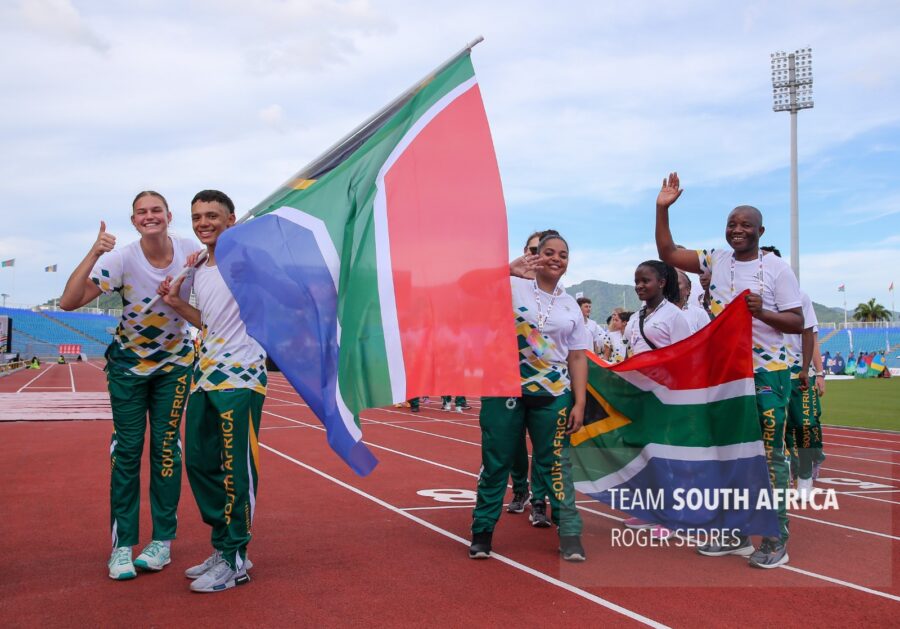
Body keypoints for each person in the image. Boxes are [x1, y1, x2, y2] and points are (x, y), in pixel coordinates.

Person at [655, 172, 803, 569]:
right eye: (732, 224)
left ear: (760, 231)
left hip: (767, 374)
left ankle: (775, 538)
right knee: (726, 456)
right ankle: (736, 533)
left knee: (769, 456)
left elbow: (798, 321)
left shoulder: (776, 269)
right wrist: (662, 208)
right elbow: (668, 253)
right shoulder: (715, 259)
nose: (737, 230)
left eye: (745, 225)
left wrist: (764, 312)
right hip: (724, 374)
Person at [59, 191, 200, 580]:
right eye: (142, 212)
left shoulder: (192, 250)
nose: (150, 216)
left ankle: (161, 543)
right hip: (128, 367)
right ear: (134, 221)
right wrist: (93, 252)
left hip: (174, 365)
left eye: (156, 210)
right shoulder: (120, 259)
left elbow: (226, 268)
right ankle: (122, 547)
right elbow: (70, 301)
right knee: (127, 450)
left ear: (169, 216)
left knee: (166, 448)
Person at [159, 190, 267, 593]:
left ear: (231, 219)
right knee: (201, 464)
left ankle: (236, 557)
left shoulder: (248, 260)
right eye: (197, 217)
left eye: (212, 215)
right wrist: (175, 300)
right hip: (204, 374)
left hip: (241, 377)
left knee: (237, 469)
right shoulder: (200, 264)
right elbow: (207, 321)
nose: (203, 222)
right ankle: (223, 546)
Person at [469, 233, 589, 562]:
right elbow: (466, 289)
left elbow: (577, 356)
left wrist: (579, 402)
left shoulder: (570, 307)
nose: (555, 258)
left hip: (553, 396)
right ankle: (482, 531)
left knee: (555, 465)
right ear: (535, 255)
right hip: (504, 388)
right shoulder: (510, 287)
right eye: (548, 252)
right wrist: (505, 270)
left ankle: (569, 532)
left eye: (562, 254)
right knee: (497, 461)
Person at [507, 230, 557, 521]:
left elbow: (558, 345)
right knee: (512, 444)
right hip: (508, 380)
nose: (537, 256)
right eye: (533, 250)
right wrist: (507, 271)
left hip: (545, 382)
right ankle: (520, 489)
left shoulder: (553, 295)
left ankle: (540, 501)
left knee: (543, 447)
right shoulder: (508, 285)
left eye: (543, 250)